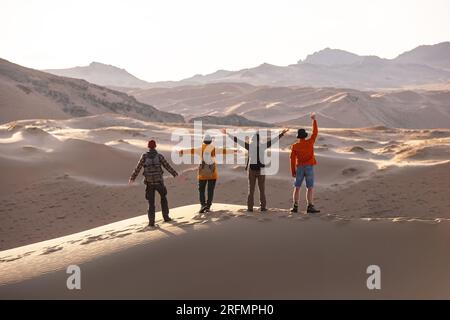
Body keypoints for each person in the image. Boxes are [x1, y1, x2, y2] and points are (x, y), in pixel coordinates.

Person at [222, 128, 289, 212]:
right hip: (261, 170)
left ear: (252, 140)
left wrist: (227, 134)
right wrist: (282, 134)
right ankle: (263, 207)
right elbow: (274, 141)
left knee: (251, 190)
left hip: (252, 170)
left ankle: (250, 208)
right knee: (262, 190)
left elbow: (238, 141)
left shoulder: (249, 146)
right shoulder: (263, 146)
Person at [179, 134, 236, 213]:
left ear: (203, 141)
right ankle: (208, 206)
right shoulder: (213, 149)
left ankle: (203, 205)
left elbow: (191, 150)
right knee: (210, 190)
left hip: (202, 174)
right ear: (210, 141)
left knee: (201, 190)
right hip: (213, 174)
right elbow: (224, 151)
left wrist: (181, 151)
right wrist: (234, 150)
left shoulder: (200, 149)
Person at [129, 139, 178, 227]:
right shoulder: (159, 156)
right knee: (163, 198)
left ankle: (151, 222)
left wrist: (132, 178)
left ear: (148, 147)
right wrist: (175, 174)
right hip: (159, 182)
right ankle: (166, 217)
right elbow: (167, 166)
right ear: (155, 146)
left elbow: (138, 168)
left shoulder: (144, 156)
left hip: (149, 183)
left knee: (151, 203)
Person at [290, 113, 320, 214]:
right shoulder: (310, 142)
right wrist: (314, 120)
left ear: (298, 137)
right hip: (309, 168)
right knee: (310, 188)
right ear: (305, 136)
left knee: (297, 188)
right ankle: (310, 206)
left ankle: (295, 206)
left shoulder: (295, 146)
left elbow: (292, 160)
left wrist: (293, 171)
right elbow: (315, 133)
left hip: (299, 168)